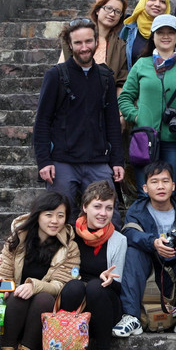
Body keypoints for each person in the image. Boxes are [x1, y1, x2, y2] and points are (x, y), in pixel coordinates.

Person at [33, 18, 124, 219]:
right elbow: (42, 122)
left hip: (98, 161)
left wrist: (117, 160)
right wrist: (44, 161)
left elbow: (112, 122)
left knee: (110, 217)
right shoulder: (55, 76)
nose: (84, 47)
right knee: (58, 216)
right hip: (62, 161)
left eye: (88, 41)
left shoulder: (105, 77)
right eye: (78, 43)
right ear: (69, 44)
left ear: (96, 41)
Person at [114, 161, 176, 339]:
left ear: (173, 186)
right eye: (154, 182)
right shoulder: (137, 209)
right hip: (151, 266)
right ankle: (131, 316)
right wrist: (153, 243)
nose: (160, 186)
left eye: (165, 181)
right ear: (145, 188)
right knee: (134, 252)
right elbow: (129, 233)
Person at [0, 192, 80, 350]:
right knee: (16, 296)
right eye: (49, 215)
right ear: (37, 215)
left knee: (44, 298)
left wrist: (34, 286)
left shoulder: (69, 247)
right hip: (14, 307)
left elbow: (61, 284)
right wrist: (2, 286)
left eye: (60, 215)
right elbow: (4, 271)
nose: (55, 221)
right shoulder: (19, 238)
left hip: (42, 309)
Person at [118, 14, 176, 190]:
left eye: (170, 32)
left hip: (174, 138)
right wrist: (137, 116)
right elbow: (125, 97)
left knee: (169, 190)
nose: (165, 36)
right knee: (145, 190)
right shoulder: (141, 64)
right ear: (153, 37)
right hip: (145, 137)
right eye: (160, 32)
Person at [58, 180, 125, 350]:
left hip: (104, 304)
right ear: (85, 207)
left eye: (108, 208)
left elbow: (119, 285)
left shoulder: (119, 240)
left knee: (96, 287)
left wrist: (108, 279)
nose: (103, 213)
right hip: (75, 299)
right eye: (97, 206)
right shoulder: (69, 235)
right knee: (74, 287)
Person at [58, 0, 129, 88]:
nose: (112, 14)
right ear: (97, 10)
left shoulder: (121, 46)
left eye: (118, 12)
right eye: (108, 8)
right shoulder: (77, 35)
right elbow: (60, 70)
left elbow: (121, 83)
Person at [120, 0, 170, 72]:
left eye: (163, 1)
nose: (157, 4)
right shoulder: (129, 29)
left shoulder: (175, 32)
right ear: (144, 1)